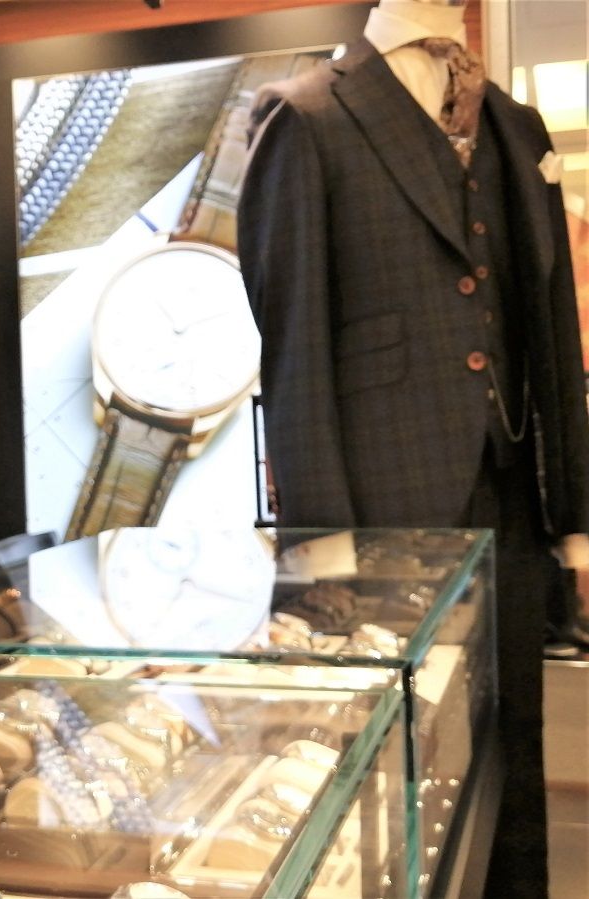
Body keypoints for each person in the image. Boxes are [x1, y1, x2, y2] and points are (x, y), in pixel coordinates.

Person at [236, 0, 589, 893]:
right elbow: (295, 348)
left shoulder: (513, 123)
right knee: (398, 758)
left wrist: (575, 511)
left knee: (516, 742)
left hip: (513, 492)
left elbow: (551, 323)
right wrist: (321, 547)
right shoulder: (308, 116)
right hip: (383, 505)